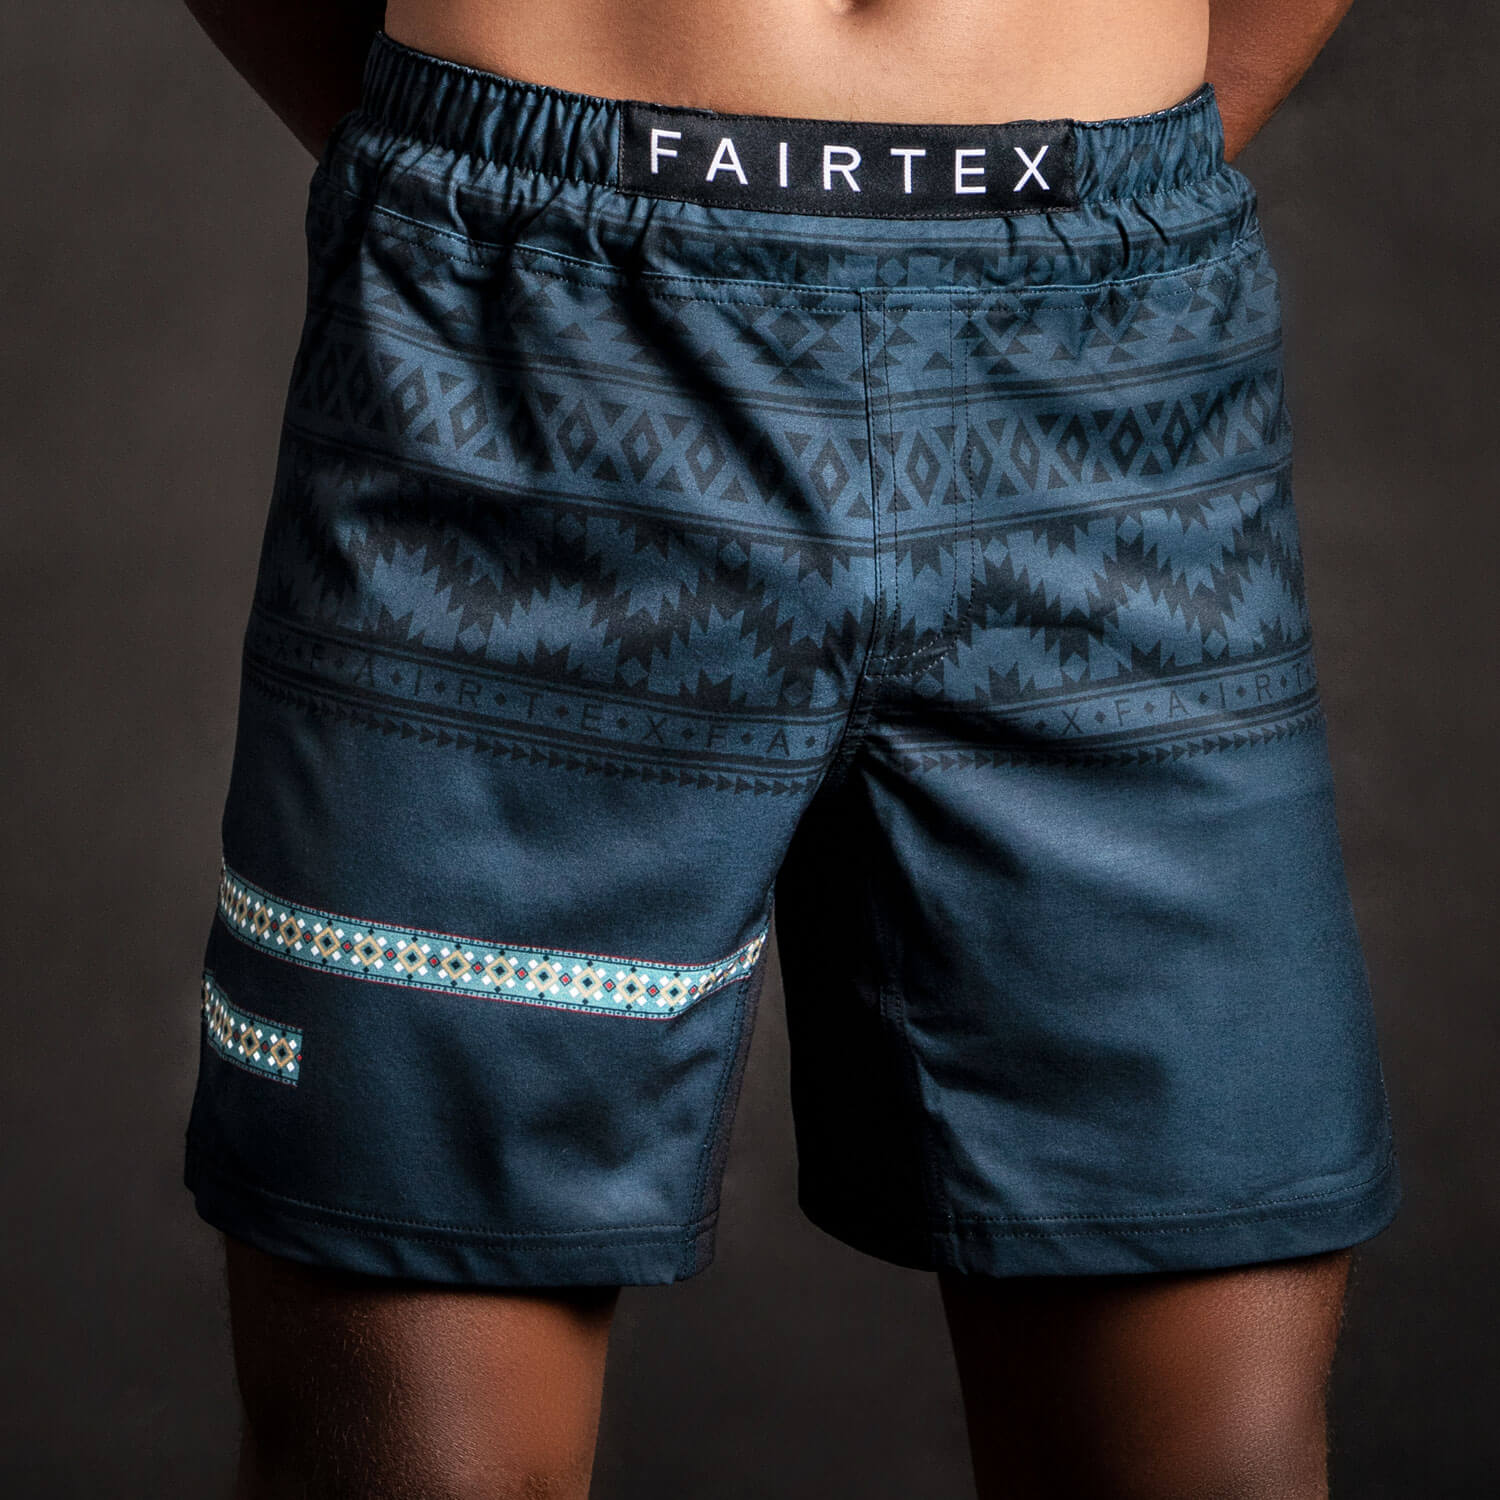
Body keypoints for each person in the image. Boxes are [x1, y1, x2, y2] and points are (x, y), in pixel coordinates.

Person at [180, 2, 1400, 1495]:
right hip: (529, 337)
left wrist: (1071, 211)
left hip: (1105, 356)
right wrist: (494, 176)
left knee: (1207, 1467)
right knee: (408, 1468)